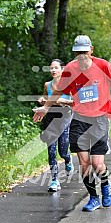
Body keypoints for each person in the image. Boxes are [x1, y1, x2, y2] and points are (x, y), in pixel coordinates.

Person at [33, 35, 111, 211]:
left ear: (91, 50)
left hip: (100, 119)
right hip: (79, 119)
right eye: (78, 53)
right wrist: (46, 108)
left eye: (85, 52)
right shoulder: (70, 69)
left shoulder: (103, 66)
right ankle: (93, 198)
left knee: (97, 164)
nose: (82, 56)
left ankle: (106, 186)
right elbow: (58, 91)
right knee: (84, 163)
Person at [38, 59, 74, 192]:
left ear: (62, 69)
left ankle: (68, 159)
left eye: (56, 68)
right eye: (51, 68)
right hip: (50, 119)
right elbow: (45, 102)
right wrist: (42, 101)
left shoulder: (69, 84)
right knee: (51, 151)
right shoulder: (47, 84)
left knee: (62, 149)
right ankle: (54, 180)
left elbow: (74, 102)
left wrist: (61, 100)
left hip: (64, 118)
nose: (53, 70)